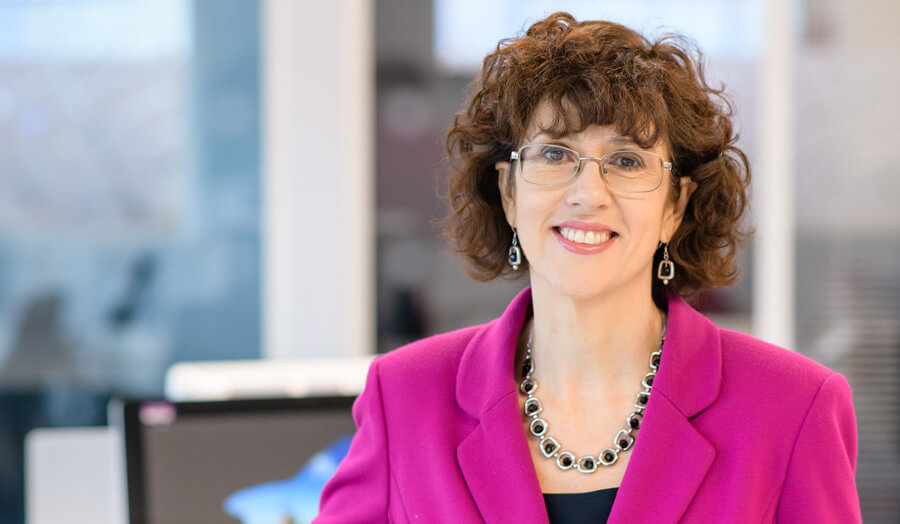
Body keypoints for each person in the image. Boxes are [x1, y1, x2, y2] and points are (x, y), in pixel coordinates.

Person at [314, 12, 861, 523]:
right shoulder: (405, 396)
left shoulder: (793, 409)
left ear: (675, 205)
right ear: (508, 192)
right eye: (554, 154)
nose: (588, 194)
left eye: (626, 161)